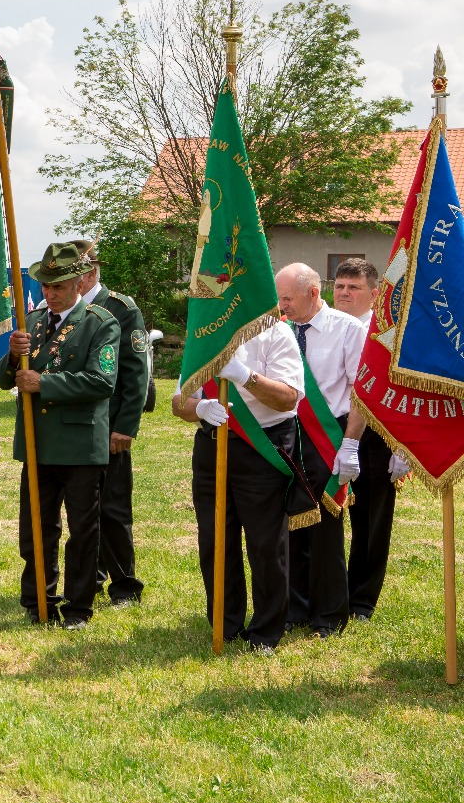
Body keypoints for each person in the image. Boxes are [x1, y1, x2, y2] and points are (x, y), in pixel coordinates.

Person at [0, 241, 120, 629]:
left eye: (58, 287)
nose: (49, 294)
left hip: (80, 444)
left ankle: (79, 606)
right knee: (35, 525)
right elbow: (3, 380)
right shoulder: (30, 322)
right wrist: (13, 357)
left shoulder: (101, 322)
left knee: (83, 531)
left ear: (79, 284)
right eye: (45, 286)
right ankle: (38, 601)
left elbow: (102, 380)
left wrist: (44, 383)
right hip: (37, 441)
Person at [173, 316, 305, 653]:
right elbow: (178, 402)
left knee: (265, 543)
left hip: (263, 443)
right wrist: (199, 406)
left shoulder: (276, 333)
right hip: (213, 442)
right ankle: (225, 622)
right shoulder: (206, 334)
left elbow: (289, 398)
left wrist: (244, 376)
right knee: (215, 539)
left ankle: (266, 631)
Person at [276, 262, 367, 637]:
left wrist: (350, 444)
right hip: (284, 434)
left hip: (328, 434)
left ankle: (329, 615)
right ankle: (294, 607)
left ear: (313, 293)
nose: (282, 306)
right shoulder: (280, 328)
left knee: (326, 525)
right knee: (289, 522)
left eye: (288, 298)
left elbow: (361, 392)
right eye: (279, 298)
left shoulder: (348, 330)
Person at [72, 239, 151, 607]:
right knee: (84, 506)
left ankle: (125, 585)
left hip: (109, 425)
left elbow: (136, 374)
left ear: (88, 274)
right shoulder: (62, 309)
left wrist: (125, 427)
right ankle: (94, 575)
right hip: (74, 427)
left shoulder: (120, 308)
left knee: (114, 508)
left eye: (71, 274)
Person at [335, 256, 403, 620]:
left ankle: (361, 600)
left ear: (375, 295)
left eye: (354, 287)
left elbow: (402, 389)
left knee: (371, 520)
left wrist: (402, 444)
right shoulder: (325, 326)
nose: (344, 293)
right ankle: (325, 591)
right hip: (328, 428)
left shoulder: (389, 336)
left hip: (375, 436)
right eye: (340, 286)